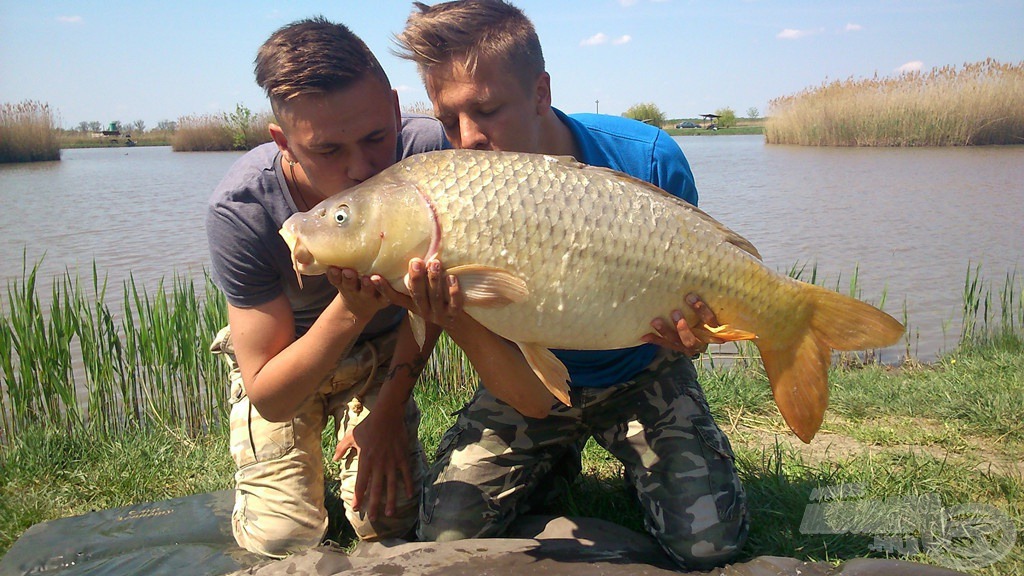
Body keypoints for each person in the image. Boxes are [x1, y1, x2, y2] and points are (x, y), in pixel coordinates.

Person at [389, 0, 749, 569]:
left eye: (486, 109)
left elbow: (693, 303)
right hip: (525, 373)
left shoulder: (648, 159)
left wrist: (694, 333)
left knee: (708, 547)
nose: (468, 138)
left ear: (541, 91)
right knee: (444, 536)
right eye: (447, 118)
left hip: (639, 369)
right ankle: (553, 459)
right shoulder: (445, 185)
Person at [205, 16, 450, 558]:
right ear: (283, 142)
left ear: (394, 108)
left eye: (374, 138)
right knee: (283, 538)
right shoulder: (240, 211)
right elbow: (270, 394)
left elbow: (430, 305)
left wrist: (386, 415)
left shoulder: (428, 156)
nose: (361, 167)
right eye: (327, 151)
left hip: (390, 350)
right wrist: (352, 307)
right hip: (292, 358)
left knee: (387, 525)